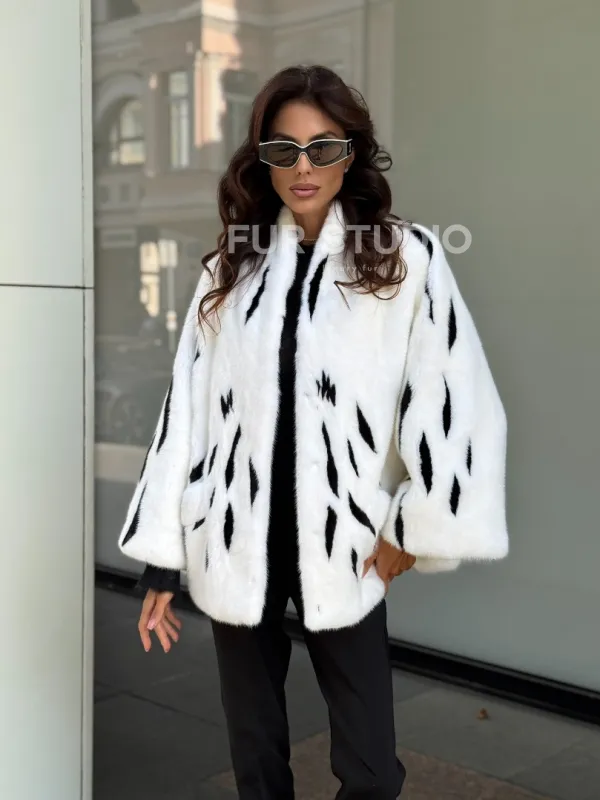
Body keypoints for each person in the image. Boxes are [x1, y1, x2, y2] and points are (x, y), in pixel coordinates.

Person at [117, 65, 509, 799]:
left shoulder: (403, 258)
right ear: (262, 159)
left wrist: (414, 527)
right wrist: (163, 561)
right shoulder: (230, 269)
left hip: (345, 540)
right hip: (236, 534)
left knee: (370, 767)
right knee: (255, 756)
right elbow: (186, 413)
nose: (303, 168)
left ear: (350, 155)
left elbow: (455, 399)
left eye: (322, 148)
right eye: (284, 149)